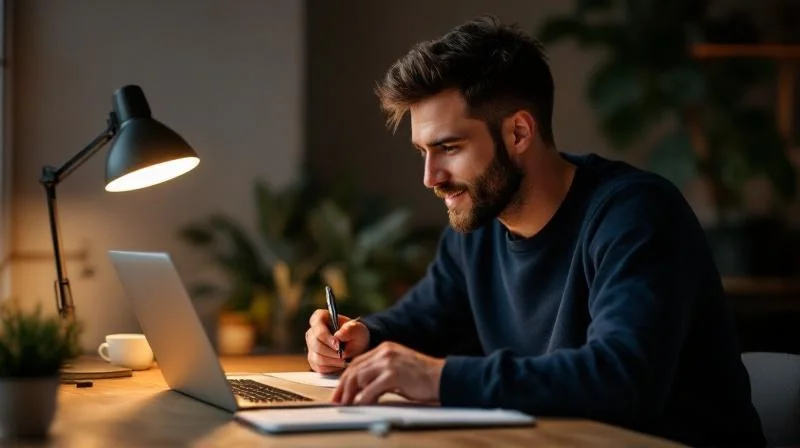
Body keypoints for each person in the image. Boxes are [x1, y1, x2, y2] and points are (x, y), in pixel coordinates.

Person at [304, 16, 765, 447]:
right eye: (423, 151)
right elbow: (423, 321)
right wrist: (361, 335)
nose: (430, 176)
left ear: (519, 133)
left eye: (448, 148)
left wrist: (441, 379)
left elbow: (623, 380)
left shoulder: (636, 216)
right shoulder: (478, 227)